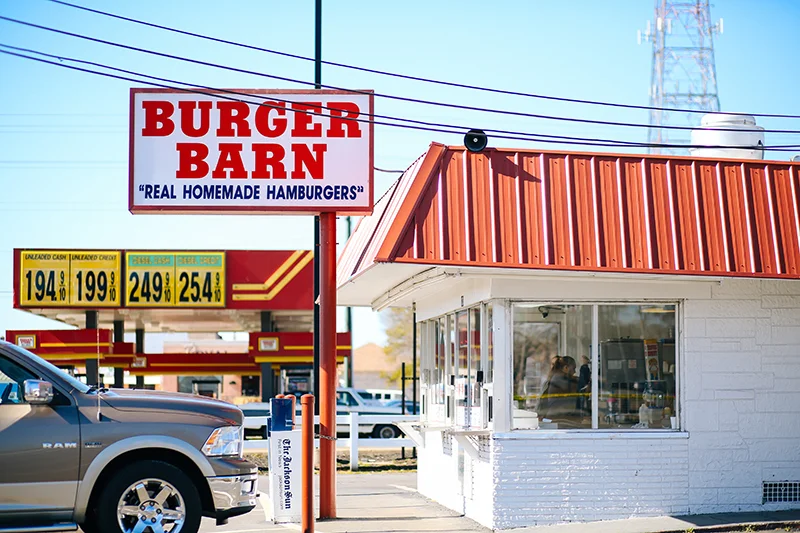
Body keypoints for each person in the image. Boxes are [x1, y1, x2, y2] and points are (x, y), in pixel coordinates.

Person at [537, 355, 579, 422]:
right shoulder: (560, 379)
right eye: (573, 368)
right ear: (566, 368)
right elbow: (574, 384)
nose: (574, 372)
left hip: (559, 417)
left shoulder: (557, 377)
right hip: (558, 419)